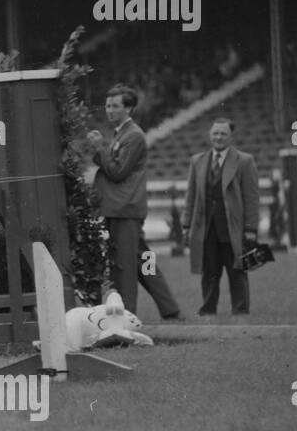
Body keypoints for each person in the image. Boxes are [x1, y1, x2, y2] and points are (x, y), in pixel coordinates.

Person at [88, 84, 183, 320]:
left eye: (115, 106)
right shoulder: (123, 133)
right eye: (108, 106)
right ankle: (170, 309)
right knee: (144, 262)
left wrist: (99, 150)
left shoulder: (134, 135)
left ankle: (127, 314)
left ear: (128, 108)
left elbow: (118, 172)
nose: (109, 110)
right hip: (123, 208)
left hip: (124, 209)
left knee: (124, 267)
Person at [183, 118, 260, 315]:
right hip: (206, 228)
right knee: (208, 272)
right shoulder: (197, 161)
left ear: (231, 136)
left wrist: (251, 229)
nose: (218, 137)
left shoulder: (244, 161)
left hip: (233, 228)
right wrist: (186, 225)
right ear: (210, 134)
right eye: (215, 133)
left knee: (237, 270)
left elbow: (251, 198)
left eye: (223, 133)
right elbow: (190, 196)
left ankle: (240, 310)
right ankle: (208, 310)